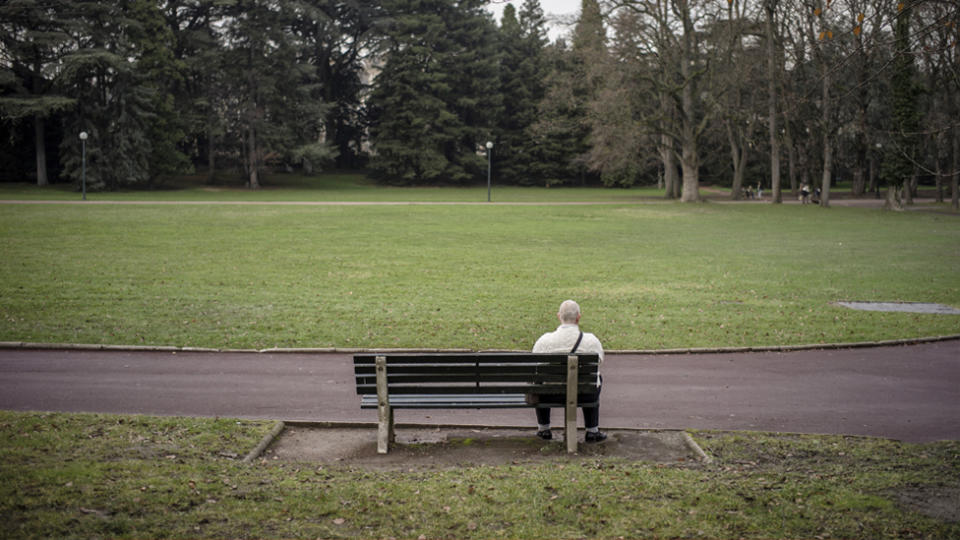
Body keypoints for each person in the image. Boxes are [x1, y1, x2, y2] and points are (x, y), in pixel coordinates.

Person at [532, 300, 606, 443]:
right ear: (578, 317)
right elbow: (600, 361)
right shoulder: (591, 341)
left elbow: (536, 365)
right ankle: (592, 430)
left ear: (559, 316)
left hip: (550, 395)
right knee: (596, 378)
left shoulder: (544, 341)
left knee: (540, 380)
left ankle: (544, 428)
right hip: (584, 395)